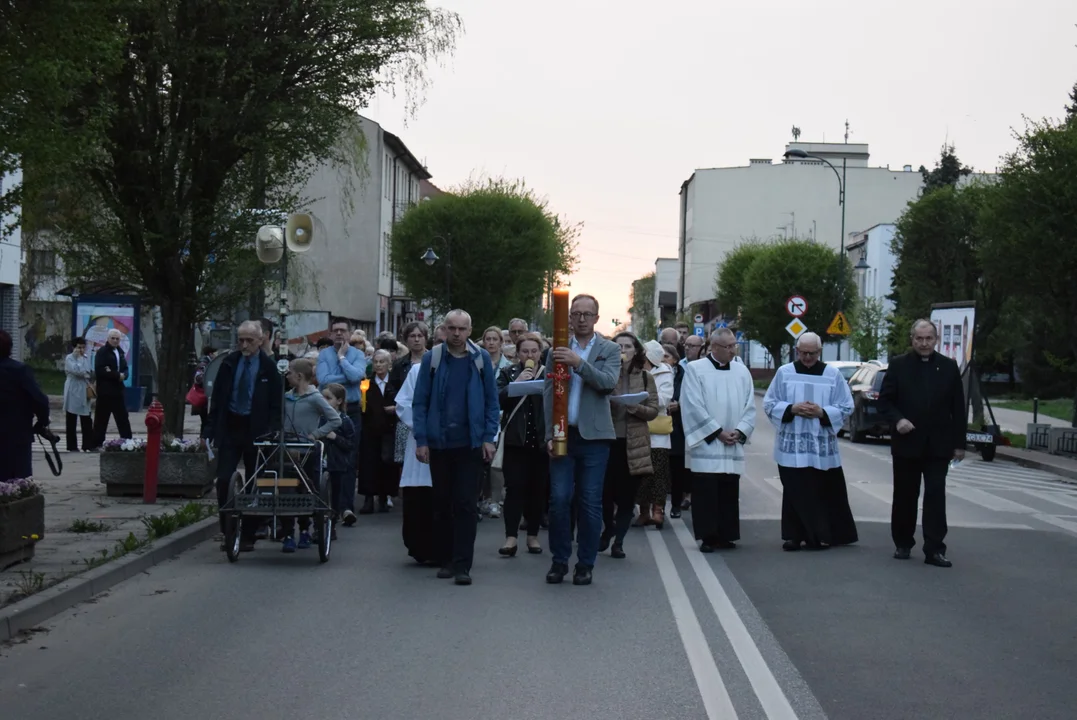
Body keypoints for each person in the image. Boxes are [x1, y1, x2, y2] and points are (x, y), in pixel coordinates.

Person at [412, 309, 499, 586]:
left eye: (462, 329)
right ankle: (446, 559)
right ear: (444, 330)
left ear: (470, 331)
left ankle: (463, 564)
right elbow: (420, 402)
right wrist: (422, 440)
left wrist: (488, 437)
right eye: (452, 328)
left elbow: (491, 403)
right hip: (440, 443)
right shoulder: (432, 359)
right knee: (442, 503)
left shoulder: (480, 359)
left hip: (470, 444)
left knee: (465, 504)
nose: (457, 334)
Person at [543, 294, 621, 586]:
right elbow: (548, 392)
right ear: (569, 317)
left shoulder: (610, 349)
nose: (581, 319)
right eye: (576, 313)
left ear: (597, 318)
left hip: (595, 438)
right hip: (564, 434)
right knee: (559, 500)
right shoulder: (556, 350)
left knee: (589, 502)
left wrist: (578, 363)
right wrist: (549, 434)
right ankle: (559, 560)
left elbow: (607, 384)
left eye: (587, 314)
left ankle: (585, 563)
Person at [878, 319, 966, 568]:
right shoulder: (898, 366)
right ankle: (903, 543)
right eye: (919, 339)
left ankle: (935, 549)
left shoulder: (948, 367)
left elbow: (958, 408)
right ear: (912, 340)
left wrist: (959, 444)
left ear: (936, 340)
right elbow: (885, 402)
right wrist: (898, 420)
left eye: (929, 339)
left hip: (939, 445)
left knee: (936, 496)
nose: (924, 343)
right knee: (906, 495)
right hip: (907, 442)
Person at [762, 332, 858, 551]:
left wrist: (822, 412)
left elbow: (846, 406)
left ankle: (822, 535)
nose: (807, 358)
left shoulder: (832, 375)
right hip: (792, 444)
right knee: (795, 490)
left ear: (819, 351)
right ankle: (794, 536)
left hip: (820, 444)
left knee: (821, 490)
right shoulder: (784, 373)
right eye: (803, 353)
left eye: (811, 353)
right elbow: (769, 403)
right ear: (796, 351)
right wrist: (791, 408)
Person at [203, 321, 282, 552]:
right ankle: (227, 530)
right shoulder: (229, 363)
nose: (244, 344)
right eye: (241, 340)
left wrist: (272, 430)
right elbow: (216, 400)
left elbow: (276, 405)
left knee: (255, 483)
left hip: (257, 430)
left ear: (260, 341)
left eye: (249, 340)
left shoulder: (269, 368)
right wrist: (208, 431)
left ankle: (249, 533)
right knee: (224, 479)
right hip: (230, 427)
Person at [679, 328, 756, 551]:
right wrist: (717, 432)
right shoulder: (695, 370)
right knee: (706, 491)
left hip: (732, 440)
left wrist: (740, 431)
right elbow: (692, 406)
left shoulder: (742, 371)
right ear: (713, 347)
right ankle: (708, 536)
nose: (733, 350)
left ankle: (727, 534)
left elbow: (750, 406)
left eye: (734, 345)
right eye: (728, 347)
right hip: (708, 442)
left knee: (728, 488)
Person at [600, 332, 658, 559]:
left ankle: (619, 542)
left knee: (626, 497)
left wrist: (636, 408)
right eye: (619, 346)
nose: (623, 350)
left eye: (627, 346)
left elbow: (653, 409)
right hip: (607, 441)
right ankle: (608, 529)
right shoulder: (605, 374)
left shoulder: (645, 377)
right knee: (604, 495)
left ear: (636, 351)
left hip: (633, 444)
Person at [496, 333, 549, 556]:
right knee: (515, 488)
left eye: (534, 351)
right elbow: (497, 398)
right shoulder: (508, 373)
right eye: (525, 351)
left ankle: (533, 536)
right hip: (515, 441)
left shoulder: (548, 373)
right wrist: (515, 385)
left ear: (540, 353)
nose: (530, 355)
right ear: (518, 354)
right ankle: (510, 537)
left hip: (540, 441)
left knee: (538, 490)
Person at [281, 358, 341, 551]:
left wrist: (315, 435)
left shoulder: (315, 398)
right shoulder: (286, 397)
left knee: (308, 491)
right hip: (287, 452)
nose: (287, 375)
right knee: (286, 493)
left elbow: (335, 420)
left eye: (289, 372)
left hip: (308, 452)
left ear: (299, 376)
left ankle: (306, 530)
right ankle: (288, 533)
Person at [317, 319, 367, 525]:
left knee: (349, 458)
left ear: (349, 334)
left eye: (342, 330)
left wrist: (342, 359)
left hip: (351, 410)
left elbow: (358, 377)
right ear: (330, 334)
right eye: (335, 330)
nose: (339, 334)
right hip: (327, 412)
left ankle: (346, 507)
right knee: (327, 459)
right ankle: (330, 505)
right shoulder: (323, 355)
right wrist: (346, 374)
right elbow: (323, 380)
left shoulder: (358, 354)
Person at [394, 362, 436, 564]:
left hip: (451, 439)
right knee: (419, 496)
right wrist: (424, 426)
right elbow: (403, 403)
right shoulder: (419, 370)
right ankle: (420, 547)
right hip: (420, 439)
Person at [0, 330, 51, 481]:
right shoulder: (19, 370)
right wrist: (42, 421)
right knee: (17, 480)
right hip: (16, 433)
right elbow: (39, 399)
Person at [358, 349, 398, 514]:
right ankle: (368, 498)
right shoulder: (366, 383)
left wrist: (396, 409)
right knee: (368, 463)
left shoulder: (395, 383)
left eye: (383, 362)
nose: (379, 365)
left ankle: (384, 496)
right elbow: (363, 405)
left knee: (387, 463)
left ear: (389, 365)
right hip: (370, 428)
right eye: (376, 362)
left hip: (389, 429)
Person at [319, 382, 355, 540]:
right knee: (319, 495)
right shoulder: (319, 419)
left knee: (334, 497)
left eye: (328, 398)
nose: (324, 401)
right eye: (323, 398)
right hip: (321, 462)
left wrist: (335, 437)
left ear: (339, 401)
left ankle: (332, 526)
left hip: (337, 464)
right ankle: (318, 527)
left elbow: (350, 444)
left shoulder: (345, 420)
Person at [91, 328, 133, 448]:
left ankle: (127, 441)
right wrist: (116, 375)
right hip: (105, 391)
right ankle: (97, 443)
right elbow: (100, 370)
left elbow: (125, 368)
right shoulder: (102, 352)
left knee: (123, 418)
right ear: (108, 339)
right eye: (113, 338)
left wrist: (124, 375)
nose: (115, 341)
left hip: (118, 391)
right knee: (101, 419)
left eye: (117, 339)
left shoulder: (120, 352)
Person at [63, 338, 95, 452]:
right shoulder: (69, 358)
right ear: (74, 347)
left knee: (86, 418)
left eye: (83, 347)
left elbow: (88, 372)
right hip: (73, 389)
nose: (81, 350)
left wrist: (84, 371)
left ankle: (87, 444)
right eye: (78, 347)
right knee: (71, 418)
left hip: (84, 389)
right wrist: (79, 362)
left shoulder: (85, 357)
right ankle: (71, 446)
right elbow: (78, 371)